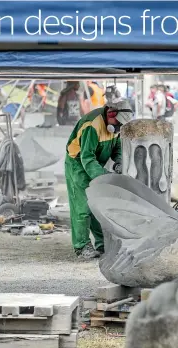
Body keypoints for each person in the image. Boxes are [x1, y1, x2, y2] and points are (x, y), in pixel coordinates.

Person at [65, 99, 134, 259]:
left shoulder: (115, 127)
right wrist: (103, 177)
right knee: (82, 207)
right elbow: (87, 158)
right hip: (78, 164)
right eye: (117, 122)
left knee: (98, 205)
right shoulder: (92, 125)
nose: (118, 127)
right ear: (111, 113)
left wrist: (119, 162)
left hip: (95, 164)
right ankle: (82, 246)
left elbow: (117, 147)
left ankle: (103, 244)